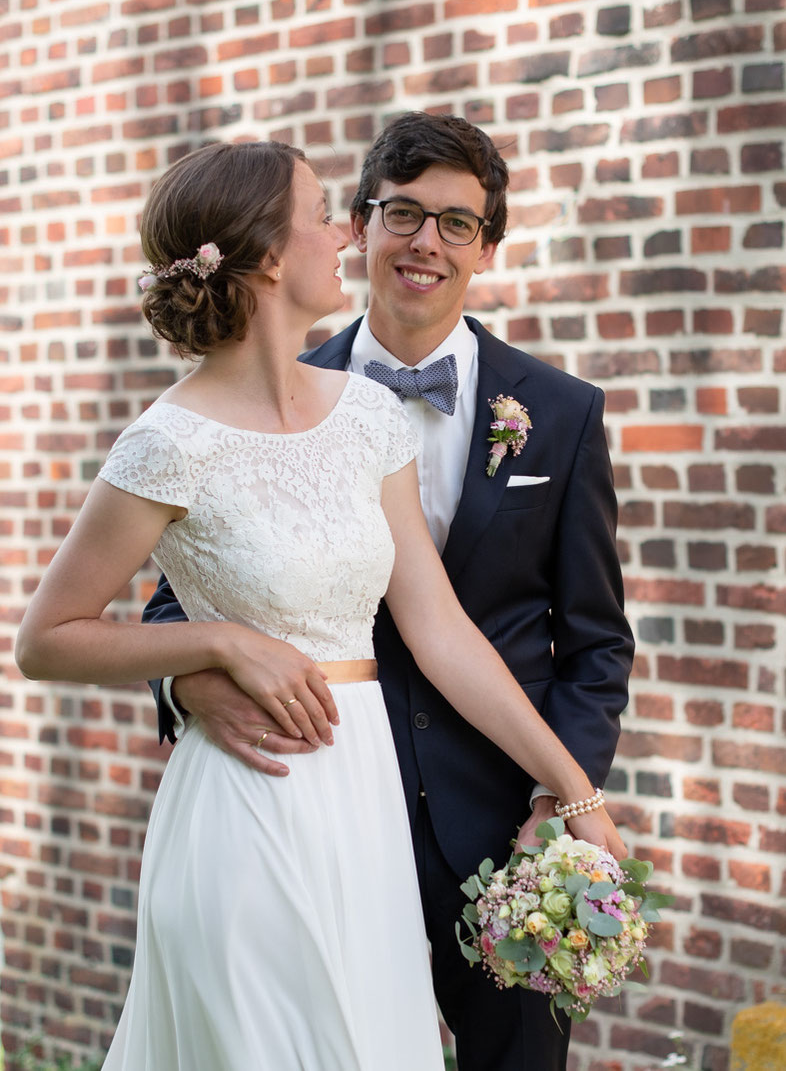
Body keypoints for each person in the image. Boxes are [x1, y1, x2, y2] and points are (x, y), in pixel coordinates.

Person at [15, 138, 627, 1071]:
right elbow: (48, 637)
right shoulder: (167, 440)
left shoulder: (368, 417)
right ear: (267, 254)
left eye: (457, 222)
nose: (347, 231)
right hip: (249, 799)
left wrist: (574, 788)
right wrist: (216, 651)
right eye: (325, 215)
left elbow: (445, 631)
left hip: (377, 806)